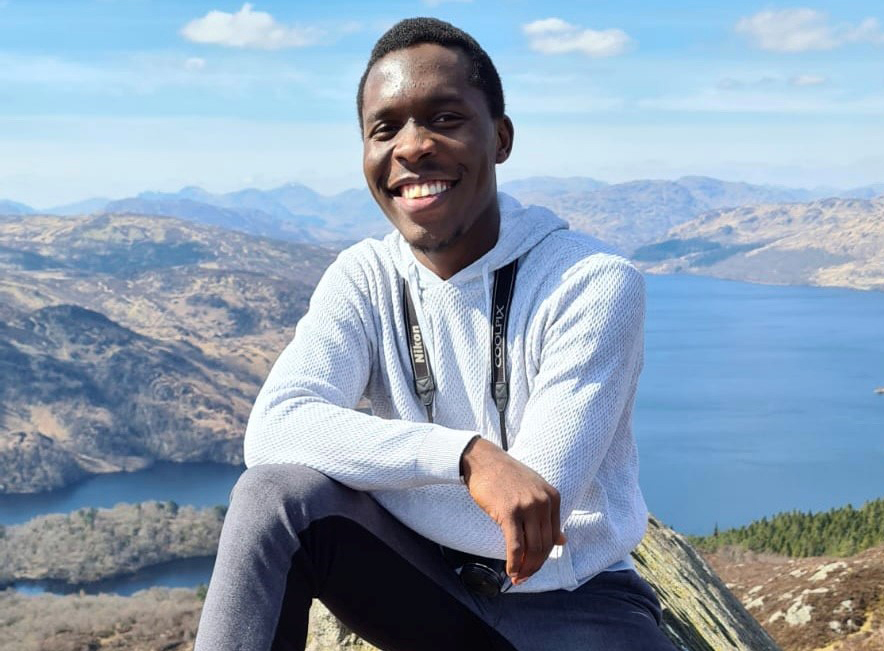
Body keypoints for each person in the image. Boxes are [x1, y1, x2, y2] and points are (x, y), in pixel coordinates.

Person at [194, 17, 676, 651]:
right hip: (420, 582)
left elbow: (532, 511)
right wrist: (465, 455)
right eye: (384, 128)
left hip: (573, 605)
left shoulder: (590, 282)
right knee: (273, 497)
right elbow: (275, 428)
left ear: (500, 138)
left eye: (445, 119)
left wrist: (381, 468)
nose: (412, 147)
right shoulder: (364, 276)